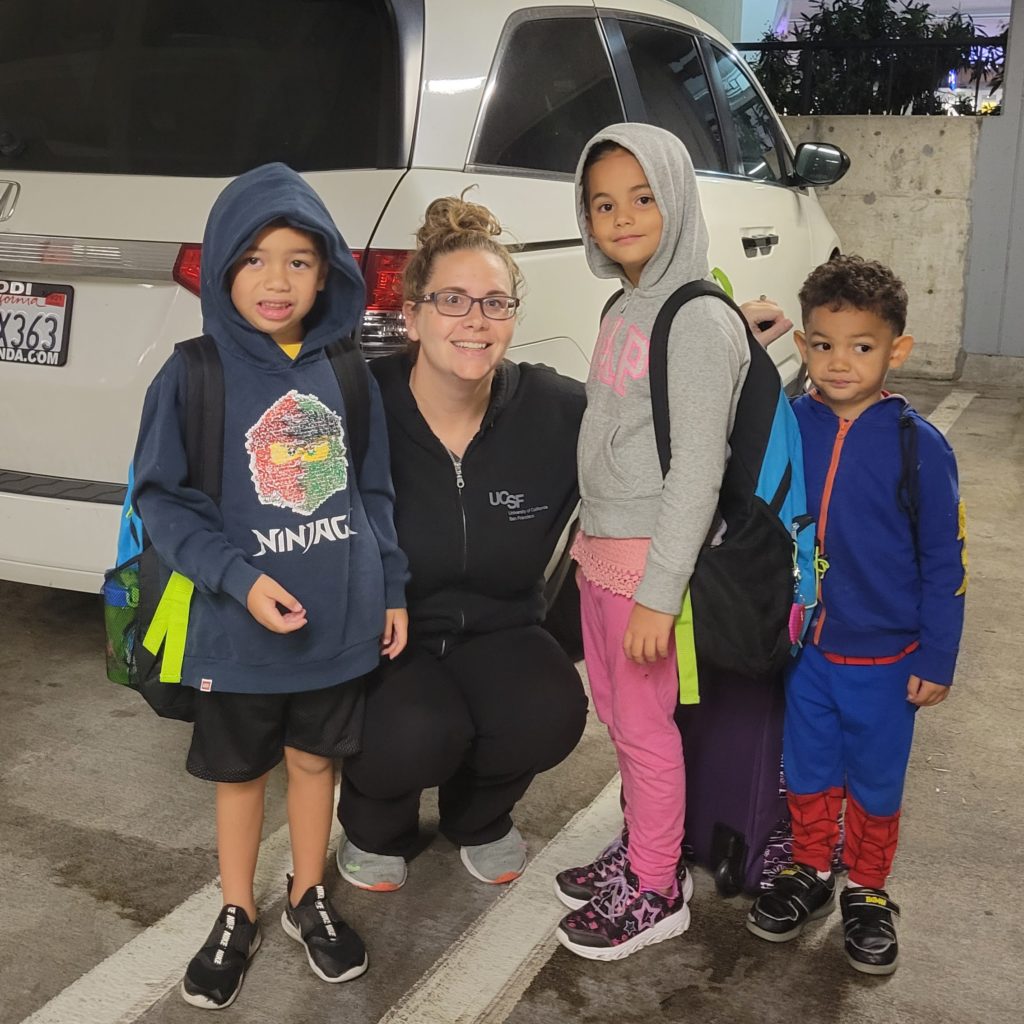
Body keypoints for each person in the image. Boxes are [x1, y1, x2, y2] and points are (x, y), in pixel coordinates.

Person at [131, 163, 409, 1010]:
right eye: (253, 259)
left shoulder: (349, 374)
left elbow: (374, 493)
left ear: (328, 271)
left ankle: (307, 893)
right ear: (219, 269)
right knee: (243, 773)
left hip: (338, 625)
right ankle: (236, 908)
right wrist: (239, 582)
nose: (276, 279)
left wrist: (389, 585)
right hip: (237, 632)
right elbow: (162, 502)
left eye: (298, 258)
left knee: (316, 761)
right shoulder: (192, 374)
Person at [334, 195, 590, 890]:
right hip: (387, 636)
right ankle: (373, 824)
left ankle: (478, 817)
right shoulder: (354, 402)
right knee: (416, 732)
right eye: (452, 300)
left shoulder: (559, 411)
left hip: (501, 624)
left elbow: (657, 429)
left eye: (495, 303)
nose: (475, 321)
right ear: (411, 316)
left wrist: (732, 344)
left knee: (553, 710)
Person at [554, 123, 754, 961]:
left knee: (644, 727)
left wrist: (658, 591)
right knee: (619, 716)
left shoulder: (699, 317)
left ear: (676, 199)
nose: (624, 216)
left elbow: (698, 468)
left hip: (648, 567)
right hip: (603, 550)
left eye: (643, 197)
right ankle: (644, 845)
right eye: (604, 203)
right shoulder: (621, 304)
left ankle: (655, 884)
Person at [745, 256, 966, 975]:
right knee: (806, 768)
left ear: (895, 351)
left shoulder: (918, 445)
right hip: (807, 651)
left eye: (861, 346)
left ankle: (868, 892)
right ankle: (809, 869)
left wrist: (937, 656)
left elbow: (946, 560)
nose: (840, 362)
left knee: (874, 780)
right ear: (803, 345)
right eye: (823, 343)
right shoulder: (788, 425)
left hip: (888, 660)